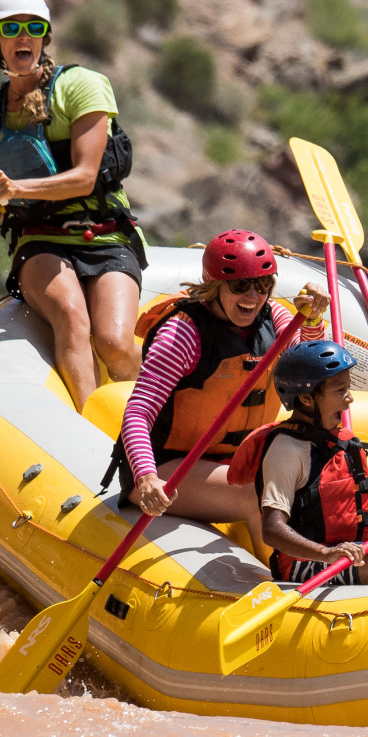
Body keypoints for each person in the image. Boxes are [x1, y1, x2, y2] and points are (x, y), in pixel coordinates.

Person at [0, 0, 145, 409]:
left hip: (105, 235)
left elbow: (84, 178)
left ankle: (151, 421)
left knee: (115, 343)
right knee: (69, 315)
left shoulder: (82, 86)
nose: (23, 36)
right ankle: (94, 436)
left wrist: (15, 187)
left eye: (33, 27)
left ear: (45, 37)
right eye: (11, 28)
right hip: (40, 240)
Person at [116, 230, 329, 547]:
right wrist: (146, 477)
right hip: (167, 468)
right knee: (261, 492)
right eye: (240, 285)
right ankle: (289, 583)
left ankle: (339, 571)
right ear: (214, 286)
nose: (253, 296)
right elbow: (138, 412)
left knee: (321, 481)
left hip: (233, 463)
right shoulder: (183, 334)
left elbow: (312, 378)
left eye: (263, 285)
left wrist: (311, 322)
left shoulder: (279, 318)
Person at [226, 340, 368, 584]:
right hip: (306, 561)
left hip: (350, 548)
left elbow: (359, 511)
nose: (349, 399)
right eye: (340, 391)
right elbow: (272, 530)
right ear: (306, 398)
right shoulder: (286, 450)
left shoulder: (337, 441)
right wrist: (326, 554)